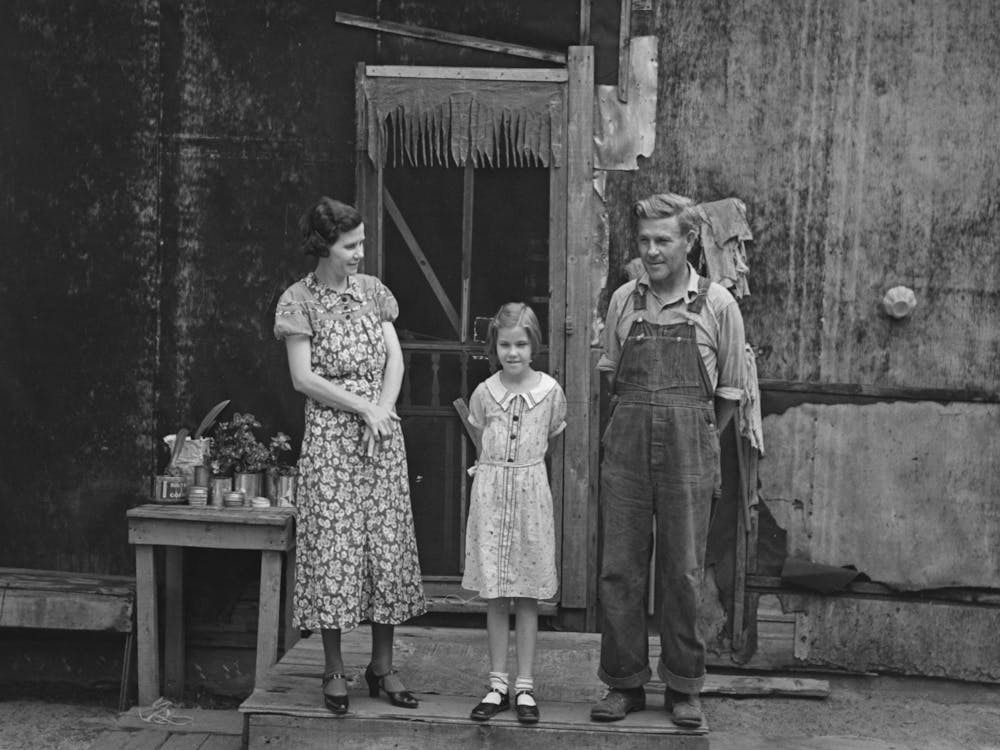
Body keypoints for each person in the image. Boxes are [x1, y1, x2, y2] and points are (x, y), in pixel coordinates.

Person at [590, 193, 745, 727]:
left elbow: (728, 391)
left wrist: (700, 437)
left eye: (663, 240)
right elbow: (612, 374)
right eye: (644, 241)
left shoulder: (719, 305)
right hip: (628, 447)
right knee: (620, 571)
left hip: (690, 449)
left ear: (690, 242)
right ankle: (624, 682)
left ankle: (684, 687)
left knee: (683, 572)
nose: (651, 251)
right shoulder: (623, 302)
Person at [273, 197, 426, 715]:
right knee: (335, 547)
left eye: (362, 243)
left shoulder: (374, 293)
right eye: (351, 245)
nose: (361, 253)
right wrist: (363, 409)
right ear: (325, 247)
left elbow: (395, 359)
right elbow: (303, 378)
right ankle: (333, 666)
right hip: (333, 438)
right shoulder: (298, 300)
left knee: (384, 544)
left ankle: (382, 666)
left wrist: (381, 413)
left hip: (379, 437)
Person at [461, 303, 567, 726]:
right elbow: (479, 435)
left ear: (534, 345)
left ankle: (525, 685)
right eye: (505, 344)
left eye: (521, 343)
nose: (513, 352)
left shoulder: (551, 392)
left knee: (526, 593)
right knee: (495, 594)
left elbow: (550, 441)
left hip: (530, 497)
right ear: (494, 347)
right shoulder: (485, 393)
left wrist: (525, 473)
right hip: (491, 497)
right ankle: (497, 683)